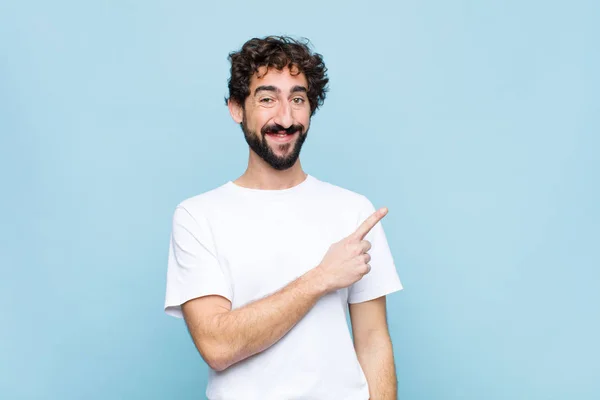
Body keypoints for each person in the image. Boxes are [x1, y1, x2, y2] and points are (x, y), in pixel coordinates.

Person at [164, 35, 403, 400]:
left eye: (297, 99)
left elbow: (373, 342)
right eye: (267, 99)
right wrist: (320, 278)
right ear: (236, 108)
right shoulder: (198, 217)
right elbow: (217, 346)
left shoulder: (353, 210)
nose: (285, 118)